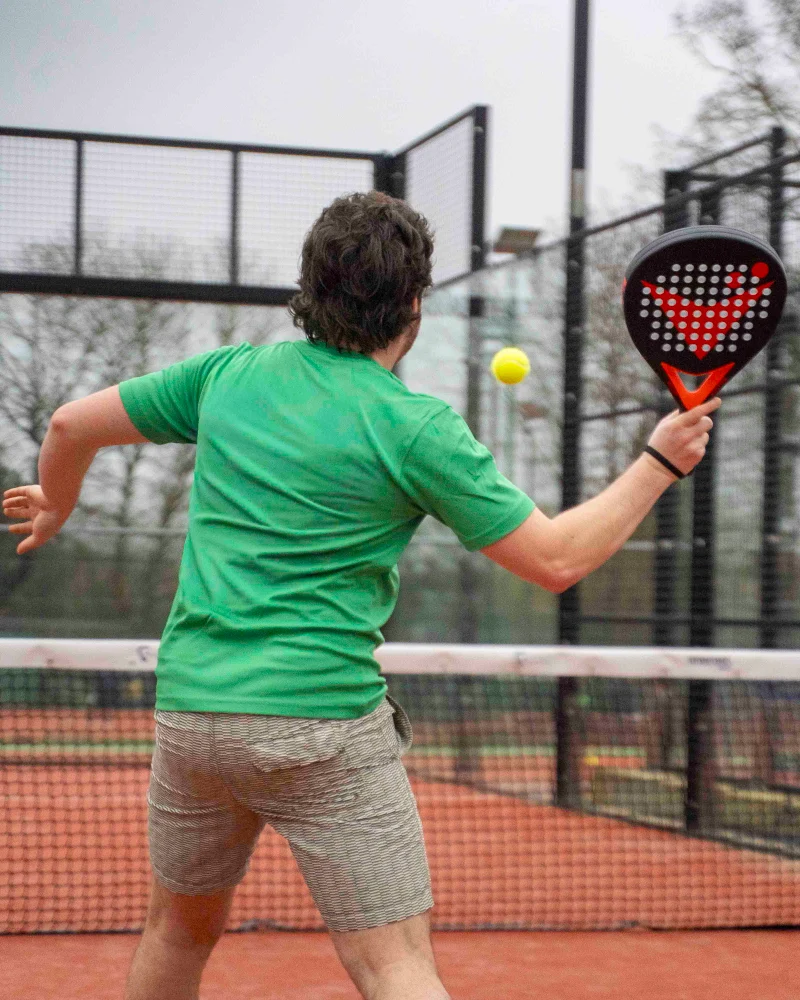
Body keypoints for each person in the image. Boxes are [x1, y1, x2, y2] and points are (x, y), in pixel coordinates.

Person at [2, 191, 719, 1000]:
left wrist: (58, 504)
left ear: (309, 287)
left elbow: (68, 425)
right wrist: (659, 463)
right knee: (395, 966)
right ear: (413, 303)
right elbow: (555, 560)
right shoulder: (416, 428)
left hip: (193, 717)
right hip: (320, 727)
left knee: (176, 931)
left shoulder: (227, 375)